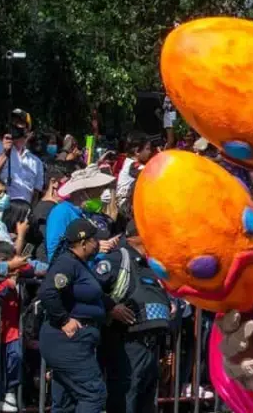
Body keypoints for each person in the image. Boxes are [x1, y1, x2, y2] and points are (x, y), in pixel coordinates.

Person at [37, 218, 114, 413]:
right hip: (67, 341)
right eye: (94, 240)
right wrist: (63, 319)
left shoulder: (79, 265)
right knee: (93, 394)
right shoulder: (66, 263)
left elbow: (88, 293)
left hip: (74, 341)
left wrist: (112, 306)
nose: (97, 244)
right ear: (82, 243)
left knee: (65, 402)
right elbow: (48, 292)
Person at [94, 220, 171, 413]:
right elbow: (89, 289)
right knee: (125, 397)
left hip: (151, 346)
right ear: (137, 236)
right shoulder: (118, 259)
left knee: (145, 400)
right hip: (126, 342)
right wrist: (111, 308)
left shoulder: (150, 264)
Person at [0, 242, 26, 412]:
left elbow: (35, 267)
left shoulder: (19, 272)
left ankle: (11, 392)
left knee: (15, 357)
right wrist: (7, 285)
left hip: (14, 329)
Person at [45, 168, 117, 261]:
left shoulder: (85, 213)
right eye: (97, 189)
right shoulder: (61, 212)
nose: (100, 193)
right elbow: (54, 252)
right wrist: (95, 247)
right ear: (83, 192)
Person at [0, 111, 45, 204]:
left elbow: (35, 194)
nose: (14, 125)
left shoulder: (36, 162)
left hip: (22, 213)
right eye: (12, 122)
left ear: (28, 130)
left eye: (19, 123)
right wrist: (5, 152)